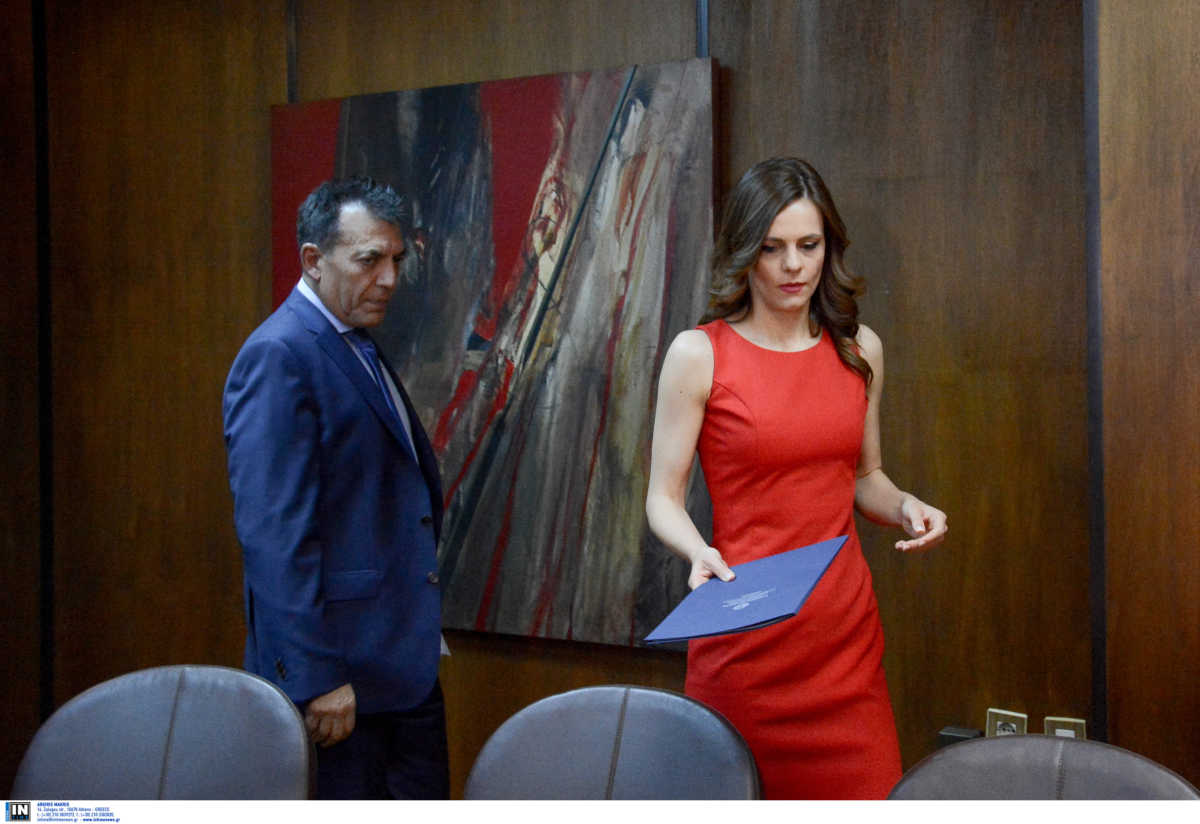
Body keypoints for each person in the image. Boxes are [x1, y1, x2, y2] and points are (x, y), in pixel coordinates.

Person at [645, 157, 947, 799]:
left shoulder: (859, 349)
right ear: (745, 252)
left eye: (808, 246)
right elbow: (662, 499)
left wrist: (906, 506)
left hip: (842, 648)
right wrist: (697, 551)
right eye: (772, 248)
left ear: (828, 248)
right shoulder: (698, 354)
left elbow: (865, 477)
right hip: (744, 646)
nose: (793, 266)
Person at [223, 178, 449, 799]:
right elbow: (274, 537)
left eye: (396, 259)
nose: (389, 279)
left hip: (396, 672)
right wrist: (316, 675)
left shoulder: (352, 341)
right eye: (369, 260)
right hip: (338, 685)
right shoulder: (280, 354)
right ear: (313, 261)